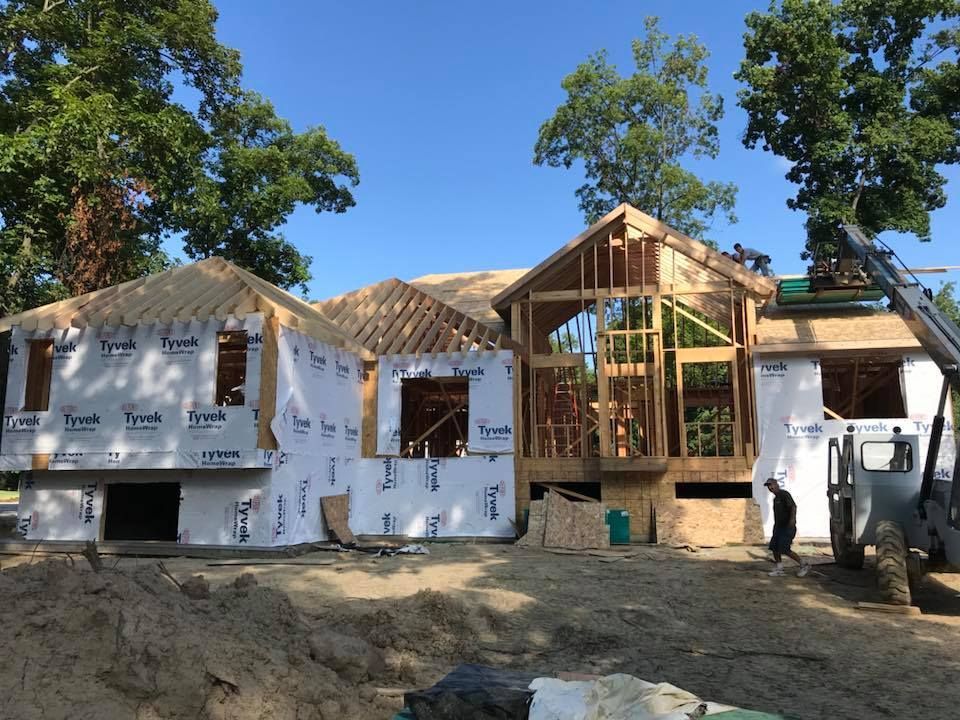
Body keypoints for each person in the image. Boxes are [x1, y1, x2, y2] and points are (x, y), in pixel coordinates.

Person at [764, 477, 809, 577]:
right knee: (774, 547)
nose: (770, 488)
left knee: (784, 549)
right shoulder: (775, 499)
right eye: (768, 486)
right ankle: (779, 568)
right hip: (778, 528)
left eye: (771, 485)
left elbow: (793, 507)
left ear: (776, 484)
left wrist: (792, 520)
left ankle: (804, 565)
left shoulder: (784, 494)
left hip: (787, 527)